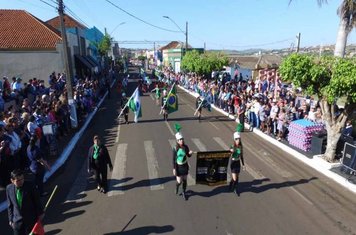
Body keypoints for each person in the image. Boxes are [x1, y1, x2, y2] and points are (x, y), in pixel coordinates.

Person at [6, 169, 44, 235]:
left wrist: (41, 213)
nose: (21, 181)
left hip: (31, 220)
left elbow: (37, 200)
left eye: (22, 179)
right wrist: (10, 220)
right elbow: (10, 205)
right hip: (17, 222)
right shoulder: (9, 188)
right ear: (12, 181)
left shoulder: (30, 185)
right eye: (18, 180)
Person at [172, 128, 193, 201]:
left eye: (182, 139)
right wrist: (174, 168)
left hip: (185, 166)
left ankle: (184, 192)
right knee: (179, 181)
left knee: (185, 180)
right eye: (180, 140)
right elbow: (173, 159)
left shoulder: (186, 147)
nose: (181, 141)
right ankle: (177, 187)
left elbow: (188, 155)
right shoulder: (175, 148)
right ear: (177, 141)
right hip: (178, 167)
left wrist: (190, 154)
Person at [229, 131, 245, 196]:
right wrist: (231, 151)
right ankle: (235, 189)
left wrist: (243, 165)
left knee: (236, 177)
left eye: (239, 139)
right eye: (236, 139)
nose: (238, 140)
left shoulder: (240, 147)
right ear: (234, 139)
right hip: (233, 163)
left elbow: (241, 156)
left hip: (238, 163)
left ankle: (231, 184)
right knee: (235, 178)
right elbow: (228, 154)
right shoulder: (232, 146)